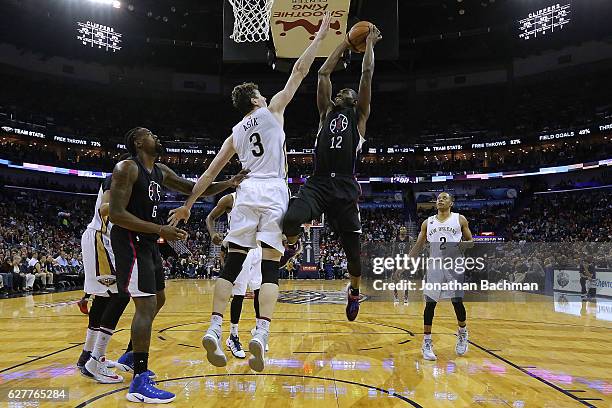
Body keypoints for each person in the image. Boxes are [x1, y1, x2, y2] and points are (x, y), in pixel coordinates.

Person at [168, 13, 333, 373]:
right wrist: (318, 37)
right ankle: (261, 333)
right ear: (257, 99)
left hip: (246, 191)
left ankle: (214, 326)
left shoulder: (235, 133)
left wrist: (187, 205)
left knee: (232, 264)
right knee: (271, 267)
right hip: (274, 188)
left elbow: (211, 172)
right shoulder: (273, 110)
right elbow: (299, 72)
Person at [109, 127, 247, 403]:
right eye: (149, 134)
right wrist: (161, 229)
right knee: (145, 305)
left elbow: (194, 189)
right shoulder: (127, 167)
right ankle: (139, 379)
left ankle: (129, 352)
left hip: (148, 241)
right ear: (138, 142)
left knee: (158, 300)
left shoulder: (159, 170)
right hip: (130, 241)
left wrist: (229, 183)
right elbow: (116, 214)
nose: (156, 137)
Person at [281, 23, 382, 321]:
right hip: (319, 181)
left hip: (345, 187)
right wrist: (344, 44)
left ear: (353, 100)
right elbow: (323, 73)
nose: (341, 92)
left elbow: (367, 75)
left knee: (353, 254)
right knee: (290, 219)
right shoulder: (326, 113)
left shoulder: (360, 116)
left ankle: (353, 293)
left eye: (346, 92)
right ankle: (292, 243)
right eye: (339, 92)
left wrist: (370, 45)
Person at [407, 192, 474, 361]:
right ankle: (427, 343)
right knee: (430, 304)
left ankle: (463, 332)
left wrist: (463, 244)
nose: (440, 200)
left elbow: (471, 241)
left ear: (451, 202)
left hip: (454, 266)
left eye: (444, 198)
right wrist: (404, 264)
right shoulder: (427, 222)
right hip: (434, 267)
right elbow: (418, 246)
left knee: (457, 302)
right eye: (438, 198)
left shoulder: (460, 219)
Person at [206, 193, 263, 359]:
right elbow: (210, 218)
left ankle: (259, 331)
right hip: (239, 247)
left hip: (259, 247)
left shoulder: (263, 196)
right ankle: (233, 336)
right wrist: (212, 234)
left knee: (259, 290)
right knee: (239, 294)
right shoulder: (230, 198)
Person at [391, 226, 411, 306]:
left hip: (405, 261)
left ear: (406, 231)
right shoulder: (395, 239)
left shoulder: (410, 239)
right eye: (401, 229)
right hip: (397, 261)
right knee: (395, 279)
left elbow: (413, 250)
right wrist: (392, 261)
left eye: (404, 229)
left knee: (406, 280)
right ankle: (396, 296)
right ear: (399, 231)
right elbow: (393, 251)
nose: (402, 230)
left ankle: (406, 297)